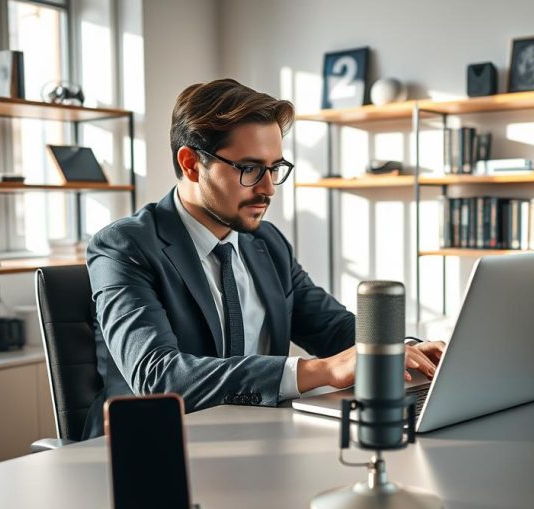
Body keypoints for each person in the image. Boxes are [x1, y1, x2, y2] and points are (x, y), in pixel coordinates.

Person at [83, 78, 444, 438]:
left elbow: (333, 328)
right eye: (250, 169)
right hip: (152, 449)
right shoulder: (123, 247)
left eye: (274, 168)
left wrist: (405, 351)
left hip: (259, 438)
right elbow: (160, 377)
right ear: (192, 164)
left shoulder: (266, 243)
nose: (268, 188)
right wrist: (319, 371)